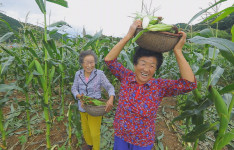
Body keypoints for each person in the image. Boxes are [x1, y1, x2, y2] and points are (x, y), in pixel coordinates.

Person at [104, 20, 197, 150]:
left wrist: (178, 50)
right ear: (135, 65)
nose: (146, 69)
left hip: (142, 141)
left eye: (152, 66)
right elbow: (109, 61)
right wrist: (129, 35)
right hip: (121, 135)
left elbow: (189, 84)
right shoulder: (126, 77)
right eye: (143, 63)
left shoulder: (159, 86)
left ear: (156, 69)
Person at [71, 50, 115, 150]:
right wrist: (79, 96)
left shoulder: (99, 74)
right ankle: (90, 145)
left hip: (95, 108)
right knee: (86, 130)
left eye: (92, 62)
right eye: (86, 62)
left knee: (95, 132)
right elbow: (74, 88)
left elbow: (109, 87)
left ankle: (96, 148)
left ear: (95, 62)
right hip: (82, 106)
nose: (89, 65)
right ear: (82, 63)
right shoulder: (78, 74)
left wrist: (111, 98)